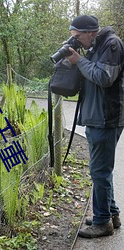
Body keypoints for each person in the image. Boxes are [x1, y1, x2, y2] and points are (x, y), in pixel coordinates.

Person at [66, 15, 124, 238]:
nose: (77, 41)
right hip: (96, 117)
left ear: (90, 32)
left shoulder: (112, 44)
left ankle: (102, 223)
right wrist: (76, 60)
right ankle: (111, 214)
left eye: (78, 37)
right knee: (101, 171)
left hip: (106, 118)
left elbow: (103, 77)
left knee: (99, 171)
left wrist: (79, 61)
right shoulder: (95, 46)